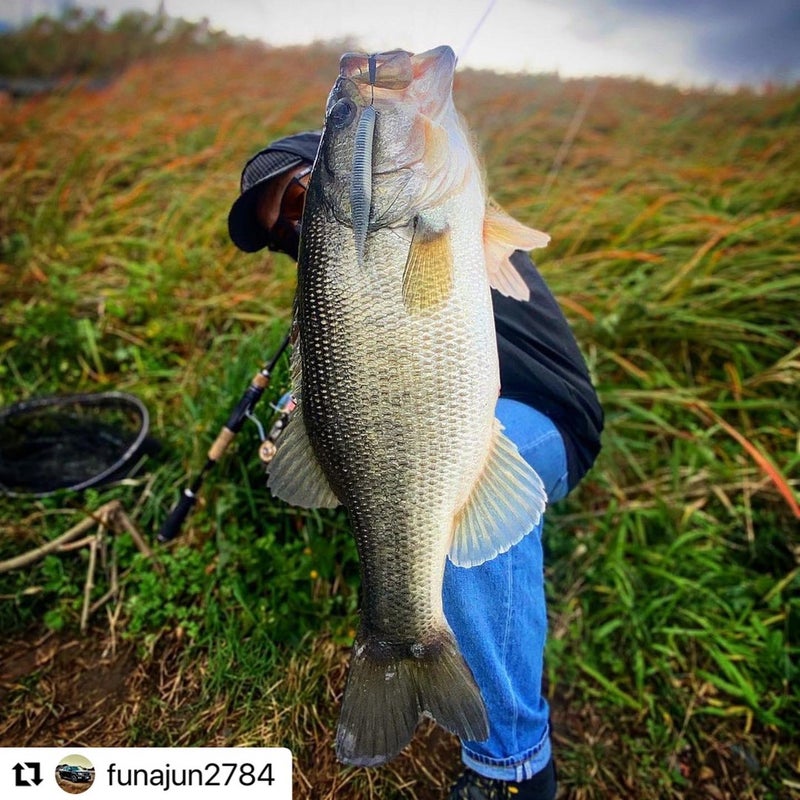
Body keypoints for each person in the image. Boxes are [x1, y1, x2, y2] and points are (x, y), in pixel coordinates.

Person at [227, 132, 604, 800]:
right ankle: (409, 643)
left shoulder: (441, 216)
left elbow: (451, 196)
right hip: (444, 424)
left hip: (545, 413)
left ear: (345, 168)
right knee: (420, 498)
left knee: (449, 525)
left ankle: (517, 769)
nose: (297, 227)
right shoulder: (337, 290)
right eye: (284, 230)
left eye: (302, 197)